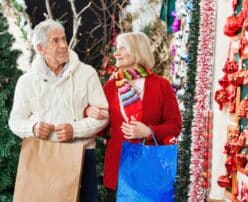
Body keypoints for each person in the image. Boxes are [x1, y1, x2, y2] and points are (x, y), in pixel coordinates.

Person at [8, 19, 108, 202]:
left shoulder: (87, 74)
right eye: (55, 41)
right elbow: (15, 120)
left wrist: (75, 130)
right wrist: (33, 127)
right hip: (41, 156)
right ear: (41, 48)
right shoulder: (27, 81)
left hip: (82, 155)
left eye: (64, 39)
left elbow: (103, 116)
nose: (63, 45)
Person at [86, 31, 182, 201]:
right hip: (118, 169)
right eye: (117, 48)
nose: (116, 53)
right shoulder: (110, 87)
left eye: (122, 48)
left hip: (151, 168)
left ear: (137, 50)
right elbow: (101, 130)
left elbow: (175, 126)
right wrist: (92, 113)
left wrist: (148, 131)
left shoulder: (161, 86)